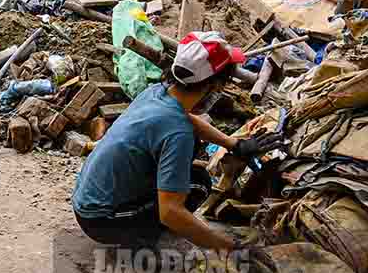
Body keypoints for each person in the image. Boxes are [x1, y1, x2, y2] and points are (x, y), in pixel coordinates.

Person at [71, 32, 282, 256]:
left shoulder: (156, 93)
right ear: (214, 84)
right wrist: (230, 248)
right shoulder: (177, 133)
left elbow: (186, 119)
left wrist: (234, 144)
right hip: (102, 221)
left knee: (195, 176)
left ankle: (145, 223)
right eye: (223, 83)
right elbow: (170, 211)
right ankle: (146, 242)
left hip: (85, 202)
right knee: (197, 185)